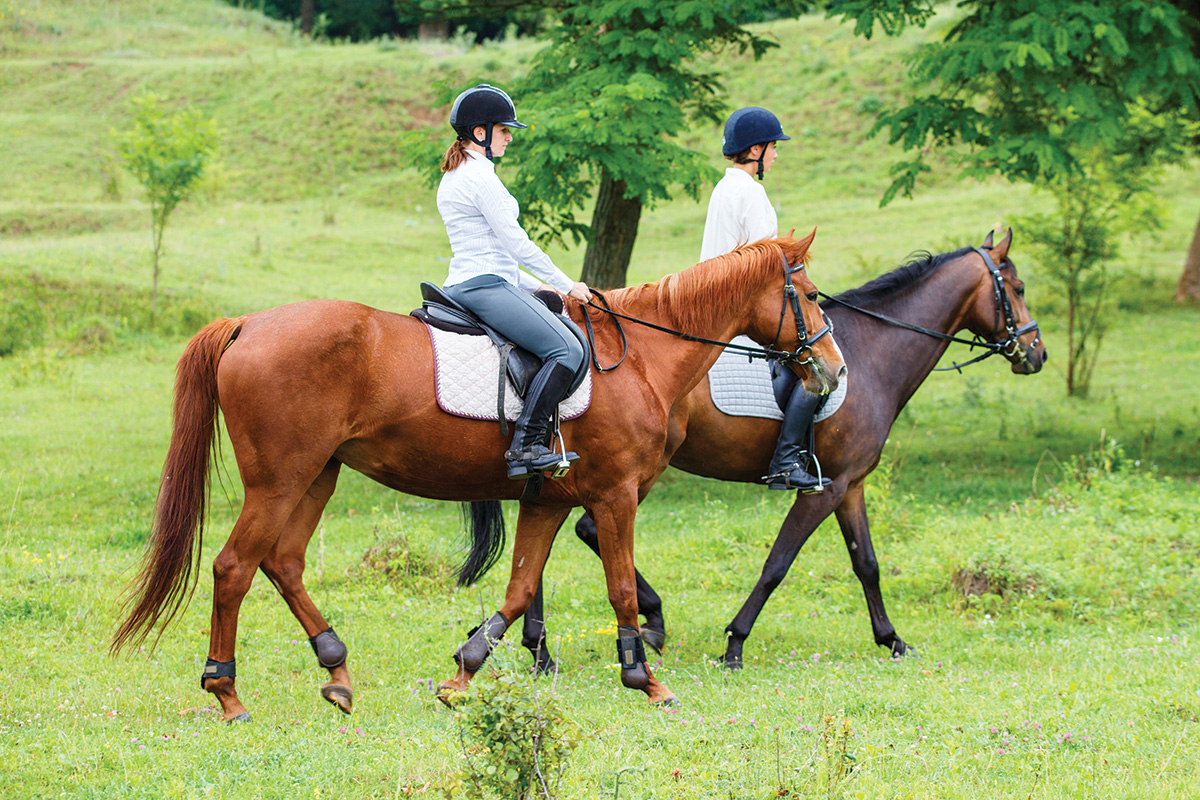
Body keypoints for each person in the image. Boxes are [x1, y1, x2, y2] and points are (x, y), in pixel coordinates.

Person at [436, 84, 592, 481]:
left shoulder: (463, 174)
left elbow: (495, 253)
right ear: (480, 133)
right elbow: (517, 245)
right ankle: (527, 443)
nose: (510, 136)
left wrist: (537, 288)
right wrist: (566, 282)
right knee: (567, 350)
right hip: (483, 286)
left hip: (479, 279)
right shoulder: (479, 179)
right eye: (505, 129)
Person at [700, 106, 830, 494]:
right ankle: (786, 461)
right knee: (817, 372)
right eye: (773, 147)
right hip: (743, 307)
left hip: (714, 302)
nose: (776, 155)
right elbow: (767, 268)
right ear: (755, 150)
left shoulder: (724, 188)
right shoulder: (752, 193)